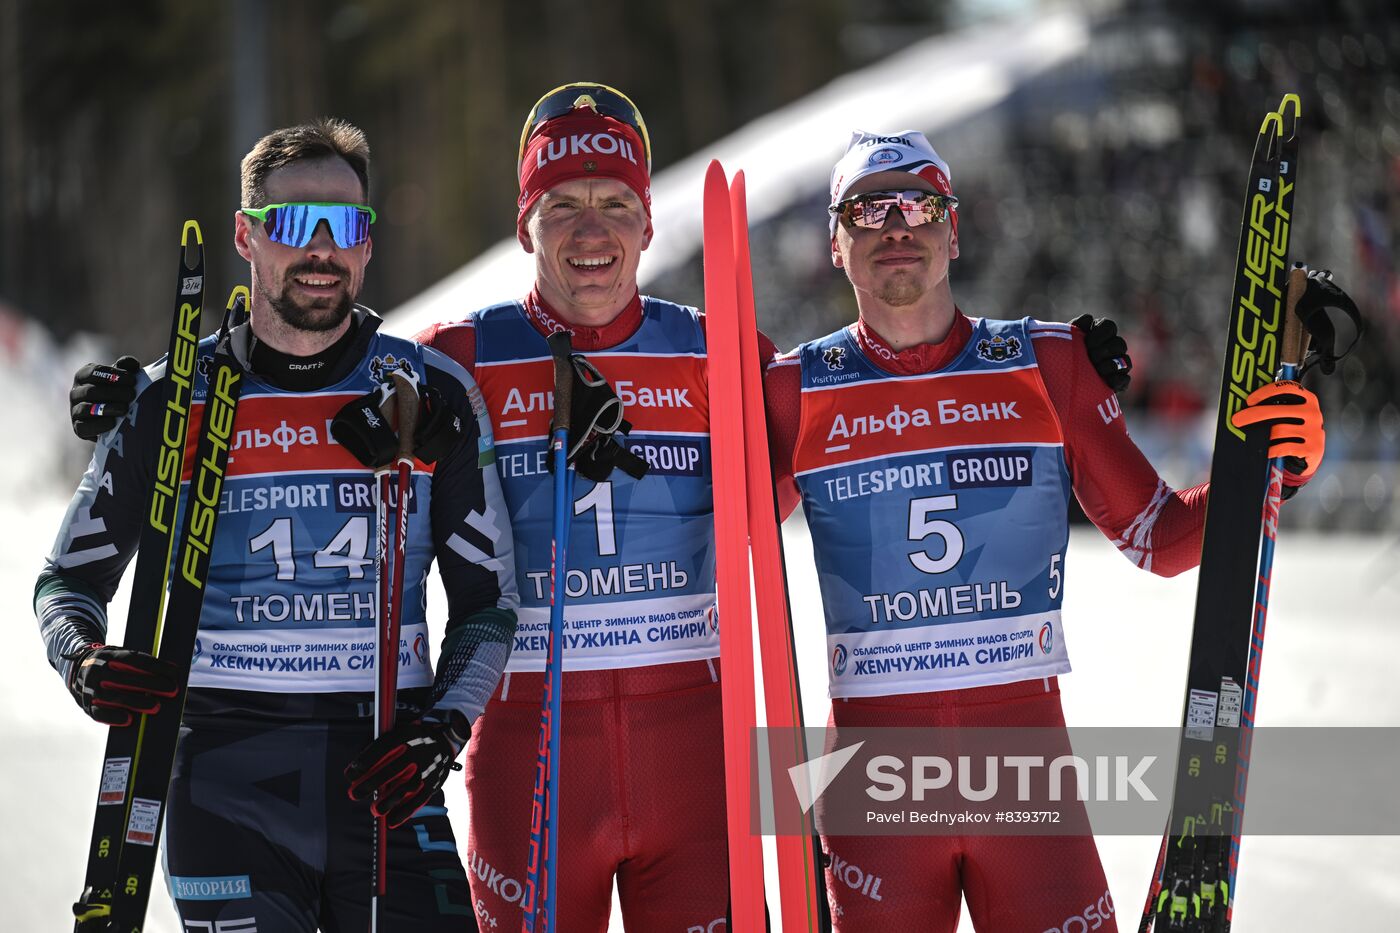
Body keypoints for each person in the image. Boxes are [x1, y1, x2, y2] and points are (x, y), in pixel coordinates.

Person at [68, 95, 1133, 931]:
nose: (591, 231)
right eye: (561, 206)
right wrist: (155, 394)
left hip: (695, 761)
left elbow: (882, 391)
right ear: (522, 223)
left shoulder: (722, 356)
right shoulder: (460, 358)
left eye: (615, 204)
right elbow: (319, 353)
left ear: (649, 220)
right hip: (528, 756)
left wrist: (1051, 368)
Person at [763, 130, 1330, 931]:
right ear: (835, 241)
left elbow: (1159, 539)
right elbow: (720, 528)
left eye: (921, 204)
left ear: (953, 230)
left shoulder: (1047, 362)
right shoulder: (792, 388)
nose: (898, 225)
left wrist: (1274, 469)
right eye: (869, 208)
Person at [40, 118, 517, 932]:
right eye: (295, 223)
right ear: (246, 236)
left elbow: (489, 603)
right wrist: (84, 660)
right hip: (224, 784)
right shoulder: (170, 399)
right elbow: (68, 582)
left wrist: (445, 724)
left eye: (347, 225)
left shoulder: (430, 394)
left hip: (385, 778)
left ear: (367, 246)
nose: (322, 249)